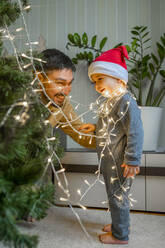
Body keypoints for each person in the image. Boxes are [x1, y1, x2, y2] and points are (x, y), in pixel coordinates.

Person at [86, 46, 144, 244]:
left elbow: (135, 131)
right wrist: (94, 128)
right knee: (115, 195)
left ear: (118, 79)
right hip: (110, 159)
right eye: (94, 81)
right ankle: (119, 223)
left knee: (117, 196)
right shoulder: (111, 102)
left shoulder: (126, 101)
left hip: (120, 160)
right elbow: (112, 129)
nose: (96, 85)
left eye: (100, 79)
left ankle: (120, 235)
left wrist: (133, 159)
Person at [37, 48, 96, 149]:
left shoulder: (62, 103)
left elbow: (82, 135)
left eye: (69, 83)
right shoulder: (17, 98)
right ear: (40, 78)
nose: (67, 91)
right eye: (60, 83)